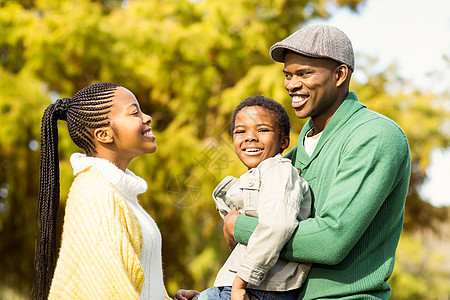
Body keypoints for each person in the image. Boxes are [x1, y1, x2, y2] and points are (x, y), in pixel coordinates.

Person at [223, 24, 411, 299]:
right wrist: (220, 291)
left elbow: (331, 240)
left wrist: (237, 227)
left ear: (339, 74)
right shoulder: (291, 157)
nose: (291, 84)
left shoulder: (375, 135)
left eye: (304, 73)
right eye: (288, 75)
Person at [32, 82, 171, 300]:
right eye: (135, 113)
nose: (147, 118)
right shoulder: (96, 196)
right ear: (104, 134)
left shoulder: (118, 193)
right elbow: (109, 292)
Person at [176, 96, 312, 300]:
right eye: (240, 131)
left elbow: (277, 226)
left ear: (283, 141)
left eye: (263, 130)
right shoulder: (257, 175)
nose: (250, 137)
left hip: (261, 289)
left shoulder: (278, 171)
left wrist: (239, 284)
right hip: (248, 287)